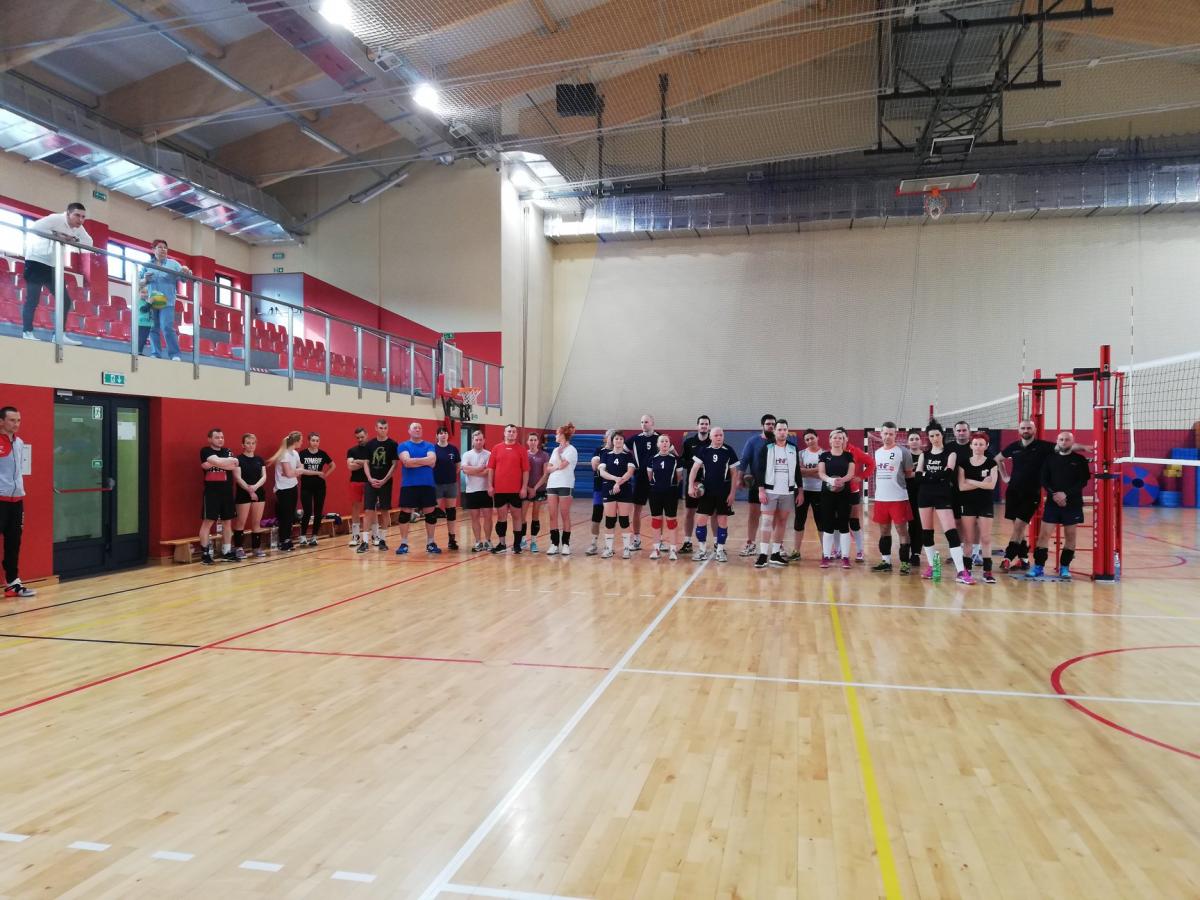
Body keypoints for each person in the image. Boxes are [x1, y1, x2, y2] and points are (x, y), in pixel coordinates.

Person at [21, 202, 90, 344]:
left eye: (83, 217)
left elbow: (89, 243)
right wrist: (56, 235)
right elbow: (34, 228)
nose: (80, 219)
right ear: (68, 214)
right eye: (77, 215)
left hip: (53, 266)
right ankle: (27, 332)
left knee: (65, 300)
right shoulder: (55, 219)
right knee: (33, 299)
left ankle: (58, 335)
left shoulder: (78, 228)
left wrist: (73, 239)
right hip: (36, 261)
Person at [915, 420, 972, 584]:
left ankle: (961, 571)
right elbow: (917, 477)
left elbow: (947, 473)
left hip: (943, 495)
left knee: (951, 533)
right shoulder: (924, 455)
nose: (935, 438)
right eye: (931, 436)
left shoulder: (950, 453)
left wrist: (928, 475)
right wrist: (935, 476)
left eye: (937, 435)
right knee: (927, 533)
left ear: (942, 435)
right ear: (928, 437)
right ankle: (933, 567)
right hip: (924, 495)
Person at [995, 419, 1055, 572]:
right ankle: (1024, 560)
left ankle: (1007, 558)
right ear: (1019, 430)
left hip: (1031, 493)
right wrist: (1004, 476)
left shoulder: (1043, 446)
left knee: (1019, 527)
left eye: (1029, 428)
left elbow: (1064, 447)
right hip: (1013, 492)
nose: (1026, 430)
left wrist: (1086, 449)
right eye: (1023, 428)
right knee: (1018, 529)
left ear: (1034, 430)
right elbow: (998, 459)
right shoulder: (1014, 446)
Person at [1031, 431, 1091, 579]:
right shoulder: (1050, 458)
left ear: (1072, 442)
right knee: (1043, 535)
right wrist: (1055, 494)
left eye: (1067, 440)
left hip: (1072, 504)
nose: (1064, 442)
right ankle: (1038, 567)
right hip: (1053, 503)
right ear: (1057, 441)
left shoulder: (1080, 460)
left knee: (1070, 536)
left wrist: (1066, 494)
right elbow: (1044, 479)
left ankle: (1064, 567)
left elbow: (1083, 481)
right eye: (1061, 439)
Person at [688, 426, 739, 562]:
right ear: (710, 437)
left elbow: (734, 474)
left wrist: (732, 493)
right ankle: (702, 550)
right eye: (716, 435)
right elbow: (694, 469)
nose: (719, 437)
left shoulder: (728, 450)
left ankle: (720, 550)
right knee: (701, 520)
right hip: (707, 491)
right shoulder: (704, 450)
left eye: (721, 435)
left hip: (723, 491)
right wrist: (690, 486)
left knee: (722, 521)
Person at [870, 422, 914, 574]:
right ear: (880, 434)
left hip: (898, 498)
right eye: (885, 433)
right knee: (884, 530)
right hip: (881, 499)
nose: (887, 436)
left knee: (902, 530)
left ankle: (905, 563)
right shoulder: (877, 453)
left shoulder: (903, 452)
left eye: (891, 434)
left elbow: (908, 473)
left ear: (895, 435)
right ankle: (886, 561)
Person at [751, 418, 796, 568]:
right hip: (769, 491)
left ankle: (775, 554)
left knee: (782, 522)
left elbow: (797, 471)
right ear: (775, 431)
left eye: (785, 429)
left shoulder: (793, 448)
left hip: (787, 492)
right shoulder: (767, 448)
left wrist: (800, 490)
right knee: (766, 522)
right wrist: (761, 490)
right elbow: (759, 470)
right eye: (779, 429)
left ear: (787, 431)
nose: (782, 432)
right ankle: (763, 555)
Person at [137, 239, 191, 361]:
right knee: (153, 328)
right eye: (160, 247)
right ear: (153, 249)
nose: (163, 250)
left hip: (168, 302)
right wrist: (145, 280)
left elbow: (183, 279)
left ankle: (175, 354)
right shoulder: (147, 265)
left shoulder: (173, 264)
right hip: (152, 302)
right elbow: (138, 282)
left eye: (165, 248)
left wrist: (186, 272)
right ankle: (156, 353)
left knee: (167, 327)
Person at [1, 406, 34, 597]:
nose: (16, 424)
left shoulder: (19, 443)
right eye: (12, 420)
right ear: (1, 421)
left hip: (16, 502)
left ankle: (13, 583)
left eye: (18, 420)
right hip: (0, 500)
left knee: (14, 543)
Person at [958, 431, 998, 584]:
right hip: (967, 503)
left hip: (985, 503)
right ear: (971, 445)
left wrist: (971, 481)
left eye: (981, 444)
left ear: (986, 446)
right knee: (968, 539)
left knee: (986, 538)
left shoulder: (991, 463)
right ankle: (966, 570)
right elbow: (961, 487)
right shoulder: (964, 463)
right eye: (975, 444)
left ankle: (987, 572)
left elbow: (991, 485)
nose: (978, 447)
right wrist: (982, 483)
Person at [396, 422, 439, 554]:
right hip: (409, 485)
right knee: (404, 514)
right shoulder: (403, 445)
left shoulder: (429, 445)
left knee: (431, 514)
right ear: (409, 431)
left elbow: (432, 461)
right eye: (415, 428)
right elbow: (406, 462)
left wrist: (414, 461)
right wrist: (425, 461)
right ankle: (404, 543)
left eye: (420, 428)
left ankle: (430, 543)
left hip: (427, 484)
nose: (418, 429)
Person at [817, 429, 858, 570]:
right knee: (827, 525)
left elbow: (850, 474)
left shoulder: (848, 456)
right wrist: (831, 481)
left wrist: (841, 481)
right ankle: (826, 556)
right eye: (835, 437)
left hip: (844, 494)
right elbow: (821, 473)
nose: (837, 440)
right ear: (830, 440)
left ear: (843, 440)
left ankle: (845, 557)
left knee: (843, 525)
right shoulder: (824, 456)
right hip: (827, 495)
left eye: (840, 438)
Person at [199, 428, 239, 564]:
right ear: (209, 439)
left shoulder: (227, 450)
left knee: (228, 522)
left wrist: (217, 462)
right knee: (208, 522)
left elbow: (233, 466)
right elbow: (217, 464)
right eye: (217, 437)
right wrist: (225, 462)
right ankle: (205, 554)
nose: (220, 439)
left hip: (227, 491)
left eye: (222, 437)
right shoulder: (205, 451)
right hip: (212, 492)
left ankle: (226, 551)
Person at [487, 424, 530, 554]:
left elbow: (526, 470)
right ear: (504, 433)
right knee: (501, 517)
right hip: (500, 490)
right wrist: (490, 485)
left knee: (517, 517)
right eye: (509, 431)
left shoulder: (521, 449)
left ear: (516, 434)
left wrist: (524, 487)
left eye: (513, 431)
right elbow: (491, 469)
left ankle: (517, 545)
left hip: (516, 490)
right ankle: (502, 544)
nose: (511, 433)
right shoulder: (496, 448)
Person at [357, 418, 398, 553]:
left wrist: (384, 480)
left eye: (385, 428)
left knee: (385, 510)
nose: (383, 430)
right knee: (368, 511)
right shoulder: (370, 444)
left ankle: (382, 540)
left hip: (385, 482)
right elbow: (366, 463)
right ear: (376, 428)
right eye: (381, 428)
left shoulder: (392, 444)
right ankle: (364, 542)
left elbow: (394, 465)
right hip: (371, 482)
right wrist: (369, 478)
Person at [739, 414, 776, 558]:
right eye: (768, 424)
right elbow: (744, 460)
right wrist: (739, 479)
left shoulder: (779, 441)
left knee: (775, 516)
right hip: (756, 484)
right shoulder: (753, 441)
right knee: (754, 515)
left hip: (775, 485)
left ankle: (778, 546)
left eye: (773, 424)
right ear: (762, 425)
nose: (771, 426)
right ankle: (751, 544)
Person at [598, 432, 637, 559]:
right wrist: (615, 480)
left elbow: (629, 472)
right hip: (608, 489)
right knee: (609, 520)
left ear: (623, 441)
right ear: (612, 441)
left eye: (621, 439)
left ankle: (626, 549)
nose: (618, 441)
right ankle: (609, 549)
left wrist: (619, 483)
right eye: (616, 438)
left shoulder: (628, 455)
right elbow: (602, 472)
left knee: (624, 520)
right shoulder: (605, 454)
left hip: (624, 489)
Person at [678, 415, 712, 554]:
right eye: (701, 424)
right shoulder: (689, 442)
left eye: (706, 424)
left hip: (709, 484)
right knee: (689, 513)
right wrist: (696, 465)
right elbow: (682, 461)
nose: (703, 426)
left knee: (712, 514)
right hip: (692, 483)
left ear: (709, 426)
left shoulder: (713, 441)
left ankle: (716, 543)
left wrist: (706, 465)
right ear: (697, 426)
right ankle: (687, 542)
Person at [646, 434, 681, 560]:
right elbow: (650, 477)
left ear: (669, 444)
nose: (665, 443)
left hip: (671, 493)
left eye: (666, 441)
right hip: (655, 493)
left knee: (671, 522)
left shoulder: (675, 459)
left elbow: (679, 477)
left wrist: (669, 486)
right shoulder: (652, 459)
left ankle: (673, 550)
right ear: (658, 444)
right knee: (656, 521)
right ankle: (656, 549)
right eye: (662, 441)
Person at [544, 423, 578, 556]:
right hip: (552, 484)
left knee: (564, 514)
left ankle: (565, 544)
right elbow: (548, 468)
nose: (555, 436)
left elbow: (563, 465)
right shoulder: (554, 450)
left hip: (565, 484)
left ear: (563, 435)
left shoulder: (571, 450)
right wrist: (555, 465)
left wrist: (558, 458)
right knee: (552, 515)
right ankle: (554, 544)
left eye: (557, 434)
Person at [232, 433, 267, 559]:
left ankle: (256, 548)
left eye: (253, 443)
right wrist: (249, 490)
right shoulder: (238, 460)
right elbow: (238, 478)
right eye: (248, 443)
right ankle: (238, 548)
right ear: (243, 445)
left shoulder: (259, 460)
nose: (251, 445)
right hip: (244, 493)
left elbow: (264, 476)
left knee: (256, 522)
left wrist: (255, 488)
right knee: (241, 521)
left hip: (258, 493)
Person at [629, 414, 660, 551]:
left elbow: (673, 453)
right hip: (640, 478)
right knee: (637, 510)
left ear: (652, 423)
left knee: (657, 511)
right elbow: (622, 450)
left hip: (656, 479)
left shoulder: (660, 438)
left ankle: (659, 541)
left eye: (646, 422)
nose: (643, 424)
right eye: (641, 422)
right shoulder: (635, 439)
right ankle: (636, 540)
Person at [297, 432, 334, 546]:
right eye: (313, 440)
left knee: (318, 512)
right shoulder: (302, 453)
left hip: (320, 487)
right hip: (306, 487)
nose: (315, 443)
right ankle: (303, 536)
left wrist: (325, 475)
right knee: (307, 511)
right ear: (309, 441)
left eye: (317, 441)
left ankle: (314, 536)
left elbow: (333, 465)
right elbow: (300, 470)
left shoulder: (322, 454)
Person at [948, 420, 977, 562]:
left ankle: (975, 553)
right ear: (954, 432)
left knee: (974, 522)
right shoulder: (948, 448)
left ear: (969, 432)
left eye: (964, 430)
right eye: (958, 430)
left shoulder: (975, 446)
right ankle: (958, 551)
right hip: (953, 491)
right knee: (957, 522)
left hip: (972, 491)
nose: (961, 433)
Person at [268, 431, 302, 553]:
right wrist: (293, 472)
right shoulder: (284, 455)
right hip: (283, 489)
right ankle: (283, 541)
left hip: (293, 486)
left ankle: (287, 539)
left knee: (291, 515)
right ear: (295, 441)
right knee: (285, 516)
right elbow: (288, 473)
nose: (301, 443)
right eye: (300, 440)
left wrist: (294, 472)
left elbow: (300, 467)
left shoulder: (295, 453)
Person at [791, 428, 823, 561]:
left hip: (819, 491)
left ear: (817, 438)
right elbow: (798, 472)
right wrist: (817, 470)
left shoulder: (824, 454)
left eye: (812, 438)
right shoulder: (800, 454)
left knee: (821, 522)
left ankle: (826, 552)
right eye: (807, 439)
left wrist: (806, 471)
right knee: (799, 521)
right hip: (801, 491)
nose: (810, 441)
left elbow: (823, 474)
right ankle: (796, 551)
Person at [461, 429, 494, 552]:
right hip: (471, 491)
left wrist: (473, 470)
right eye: (476, 440)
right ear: (473, 441)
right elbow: (465, 470)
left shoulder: (489, 454)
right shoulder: (466, 455)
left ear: (484, 441)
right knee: (474, 518)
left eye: (481, 440)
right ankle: (478, 541)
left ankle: (488, 541)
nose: (479, 442)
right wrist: (480, 468)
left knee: (488, 517)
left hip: (485, 490)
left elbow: (488, 471)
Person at [844, 432, 874, 562]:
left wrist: (861, 477)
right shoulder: (831, 452)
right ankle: (838, 550)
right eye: (836, 437)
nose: (840, 439)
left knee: (854, 522)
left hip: (852, 490)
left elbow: (871, 463)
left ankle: (860, 550)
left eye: (842, 437)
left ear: (846, 438)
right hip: (837, 491)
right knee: (838, 522)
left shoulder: (854, 451)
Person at [586, 429, 616, 556]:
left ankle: (609, 546)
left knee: (611, 517)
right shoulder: (599, 450)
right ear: (605, 438)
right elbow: (594, 465)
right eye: (610, 436)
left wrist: (604, 467)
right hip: (599, 487)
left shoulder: (619, 452)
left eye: (615, 436)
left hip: (612, 488)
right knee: (596, 515)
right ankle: (593, 544)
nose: (612, 439)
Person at [432, 427, 462, 552]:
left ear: (447, 435)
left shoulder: (453, 449)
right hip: (437, 484)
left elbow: (458, 466)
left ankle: (451, 539)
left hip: (451, 484)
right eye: (440, 433)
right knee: (433, 513)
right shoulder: (433, 449)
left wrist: (450, 476)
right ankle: (431, 541)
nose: (443, 435)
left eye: (445, 433)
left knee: (451, 512)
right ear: (437, 436)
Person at [523, 432, 550, 552]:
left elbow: (545, 474)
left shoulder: (544, 455)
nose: (533, 442)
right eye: (531, 440)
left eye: (535, 440)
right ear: (527, 442)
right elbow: (521, 472)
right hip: (526, 489)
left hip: (539, 490)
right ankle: (522, 539)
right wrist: (528, 488)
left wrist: (535, 488)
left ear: (538, 442)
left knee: (535, 514)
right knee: (522, 515)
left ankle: (533, 542)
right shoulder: (524, 454)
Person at [904, 428, 925, 574]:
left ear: (921, 441)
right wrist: (918, 472)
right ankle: (906, 551)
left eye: (916, 438)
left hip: (923, 493)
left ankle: (916, 553)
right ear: (907, 442)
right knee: (909, 524)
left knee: (920, 524)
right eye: (911, 439)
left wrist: (916, 473)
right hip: (906, 493)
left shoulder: (926, 455)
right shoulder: (905, 456)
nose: (914, 441)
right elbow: (904, 475)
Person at [345, 427, 370, 547]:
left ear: (367, 435)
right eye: (358, 438)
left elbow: (373, 463)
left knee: (371, 508)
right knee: (355, 508)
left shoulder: (372, 449)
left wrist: (358, 461)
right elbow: (350, 466)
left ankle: (375, 535)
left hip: (370, 481)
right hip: (355, 481)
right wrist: (365, 462)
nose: (360, 439)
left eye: (362, 437)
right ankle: (355, 535)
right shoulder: (352, 451)